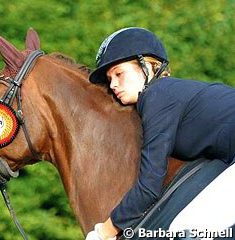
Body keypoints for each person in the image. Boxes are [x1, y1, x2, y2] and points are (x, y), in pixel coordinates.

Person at [86, 27, 235, 240]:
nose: (113, 84)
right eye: (110, 79)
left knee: (188, 229)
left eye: (119, 73)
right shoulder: (168, 94)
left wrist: (103, 233)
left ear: (146, 66)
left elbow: (149, 185)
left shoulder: (157, 94)